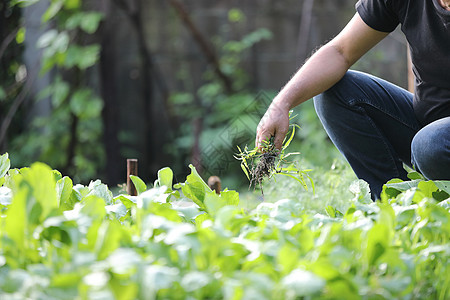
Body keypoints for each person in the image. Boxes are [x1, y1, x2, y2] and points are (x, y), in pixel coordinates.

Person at [256, 0, 450, 199]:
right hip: (428, 129)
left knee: (430, 144)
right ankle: (393, 206)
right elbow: (340, 51)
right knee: (336, 91)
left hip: (436, 141)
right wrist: (281, 104)